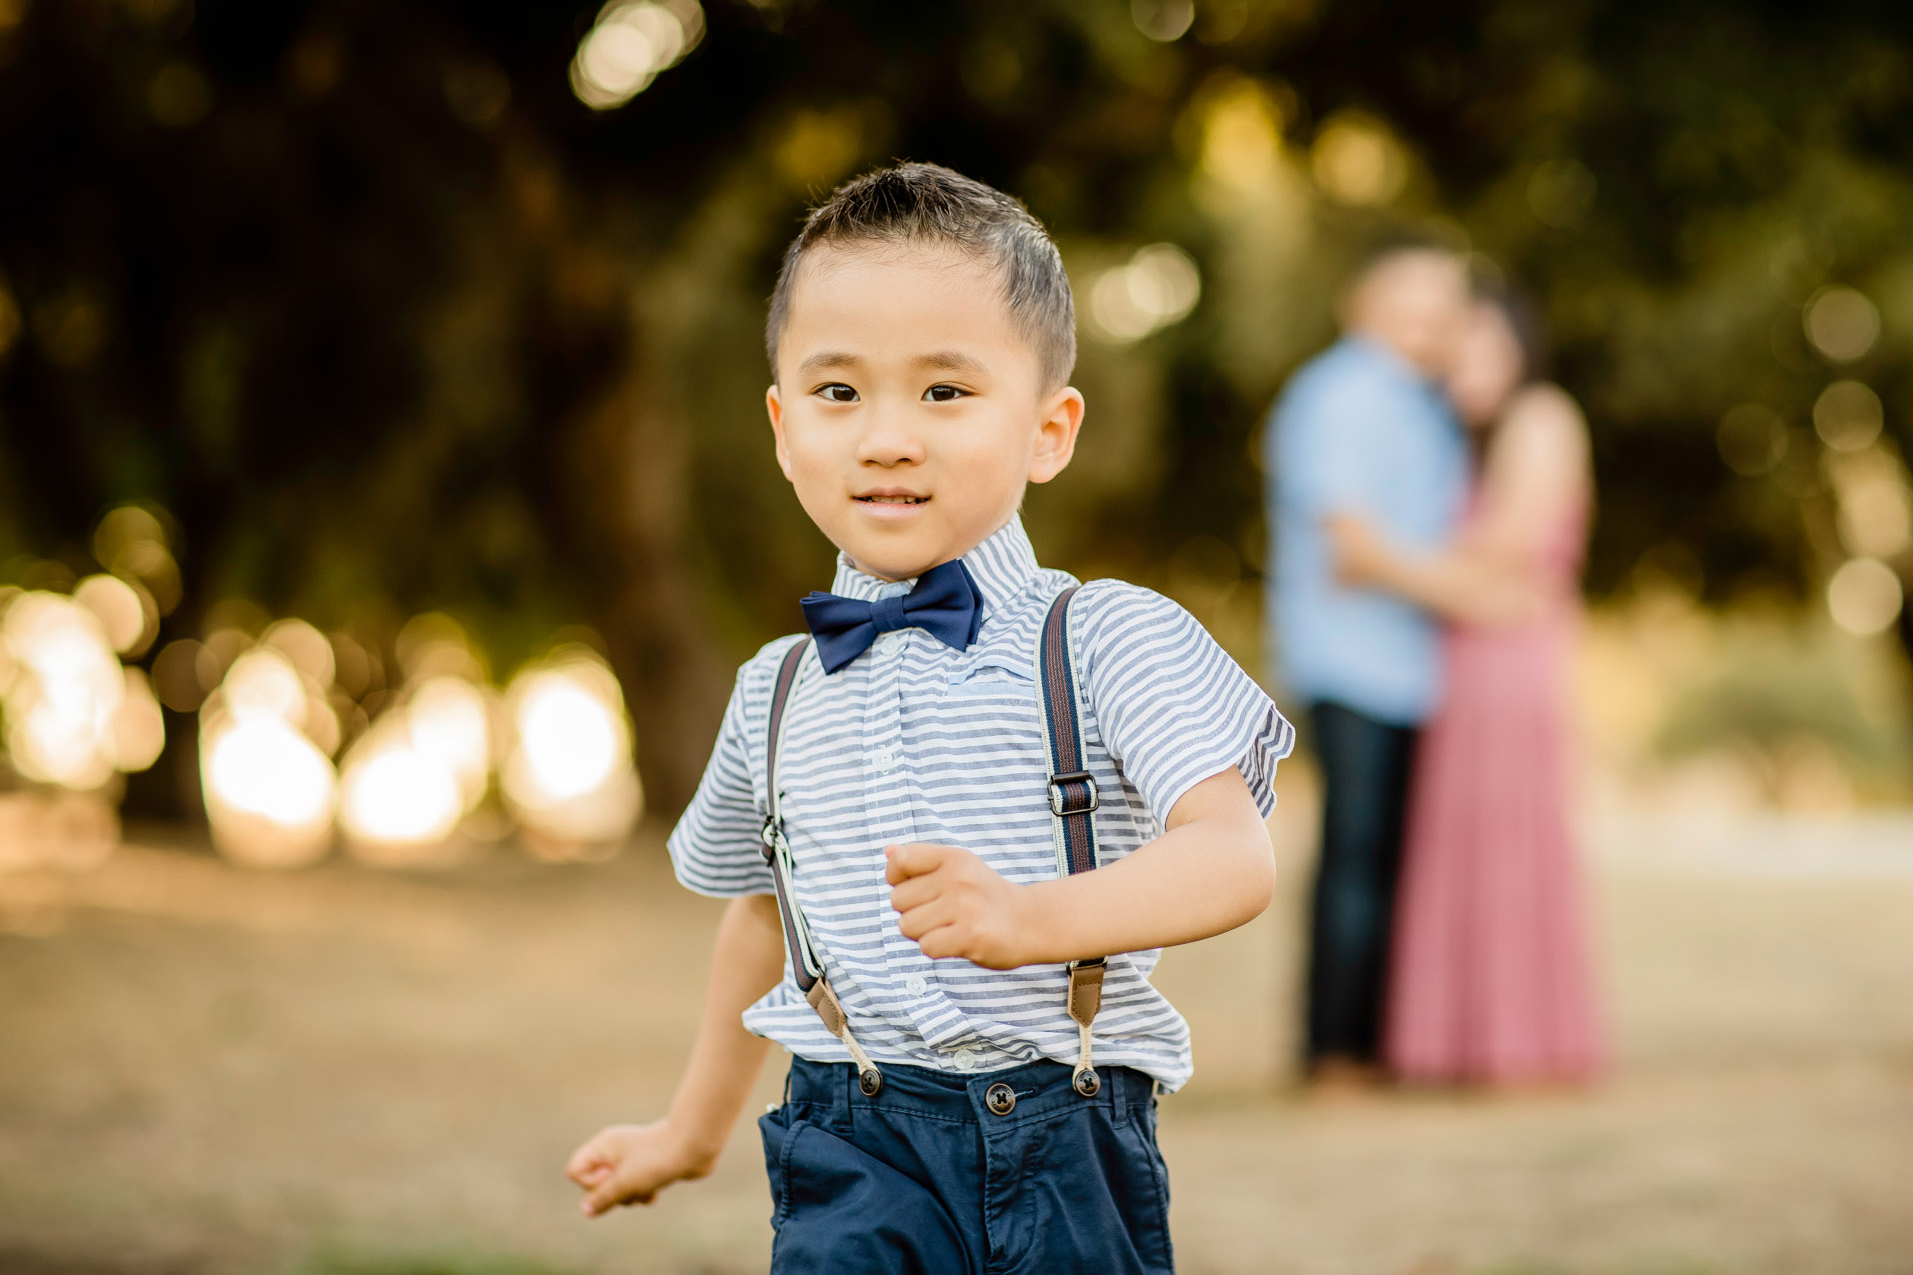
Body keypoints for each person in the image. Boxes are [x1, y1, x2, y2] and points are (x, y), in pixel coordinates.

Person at [565, 163, 1294, 1273]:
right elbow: (763, 921)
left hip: (1063, 1137)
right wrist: (687, 1133)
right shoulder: (776, 689)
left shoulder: (1103, 639)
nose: (888, 437)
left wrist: (1031, 920)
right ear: (779, 426)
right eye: (838, 392)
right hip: (851, 1138)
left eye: (944, 393)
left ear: (1048, 430)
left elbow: (1232, 857)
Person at [1333, 290, 1601, 1086]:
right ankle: (1460, 1043)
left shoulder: (1544, 418)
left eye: (1485, 350)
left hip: (1515, 666)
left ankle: (1522, 1042)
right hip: (1464, 661)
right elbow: (1477, 573)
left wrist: (1379, 561)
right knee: (1459, 851)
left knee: (1513, 846)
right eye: (1457, 356)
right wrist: (1457, 583)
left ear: (1520, 348)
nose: (1466, 370)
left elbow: (1508, 551)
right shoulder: (1461, 442)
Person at [1262, 243, 1471, 1088]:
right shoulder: (1340, 393)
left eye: (1445, 304)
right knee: (1354, 858)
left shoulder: (1427, 406)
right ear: (1364, 302)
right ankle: (1332, 1054)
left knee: (1392, 862)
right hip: (1351, 659)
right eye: (1414, 300)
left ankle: (1386, 1045)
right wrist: (1479, 590)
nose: (1432, 321)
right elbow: (1351, 547)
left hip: (1415, 663)